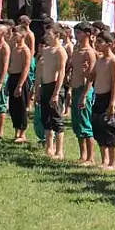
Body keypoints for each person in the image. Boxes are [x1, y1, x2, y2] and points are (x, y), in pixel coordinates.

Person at [89, 30, 115, 171]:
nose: (97, 44)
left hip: (109, 97)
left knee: (109, 129)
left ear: (109, 44)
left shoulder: (113, 61)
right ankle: (104, 160)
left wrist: (112, 104)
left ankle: (113, 162)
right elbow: (92, 76)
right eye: (96, 42)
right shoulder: (100, 59)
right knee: (98, 128)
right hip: (98, 96)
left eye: (100, 42)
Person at [69, 22, 97, 166]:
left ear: (87, 34)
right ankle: (82, 155)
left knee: (85, 123)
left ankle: (90, 157)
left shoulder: (89, 52)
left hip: (84, 89)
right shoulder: (76, 49)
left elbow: (91, 77)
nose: (76, 35)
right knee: (77, 123)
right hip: (74, 88)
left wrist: (85, 94)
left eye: (79, 32)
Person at [38, 22, 68, 160]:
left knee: (56, 119)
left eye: (49, 33)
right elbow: (42, 70)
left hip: (55, 86)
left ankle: (59, 151)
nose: (46, 36)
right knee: (46, 119)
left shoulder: (60, 51)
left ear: (56, 35)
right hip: (45, 86)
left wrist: (56, 93)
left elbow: (61, 72)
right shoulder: (47, 50)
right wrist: (38, 88)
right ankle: (49, 148)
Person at [7, 26, 33, 143]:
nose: (14, 37)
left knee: (21, 107)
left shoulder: (25, 50)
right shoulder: (14, 48)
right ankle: (16, 131)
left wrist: (20, 85)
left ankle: (22, 133)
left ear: (22, 36)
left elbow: (26, 68)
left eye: (16, 35)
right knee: (13, 107)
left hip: (20, 79)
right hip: (12, 77)